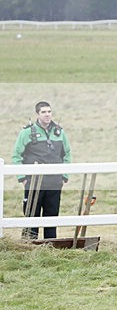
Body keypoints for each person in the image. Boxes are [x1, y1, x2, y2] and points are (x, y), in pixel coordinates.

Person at [12, 101, 71, 240]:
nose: (47, 115)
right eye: (43, 112)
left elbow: (67, 154)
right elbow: (16, 155)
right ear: (37, 114)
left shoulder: (59, 132)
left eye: (49, 111)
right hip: (33, 182)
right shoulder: (26, 132)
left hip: (54, 183)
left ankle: (50, 249)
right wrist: (22, 177)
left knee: (52, 217)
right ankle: (28, 248)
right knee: (31, 216)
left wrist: (64, 176)